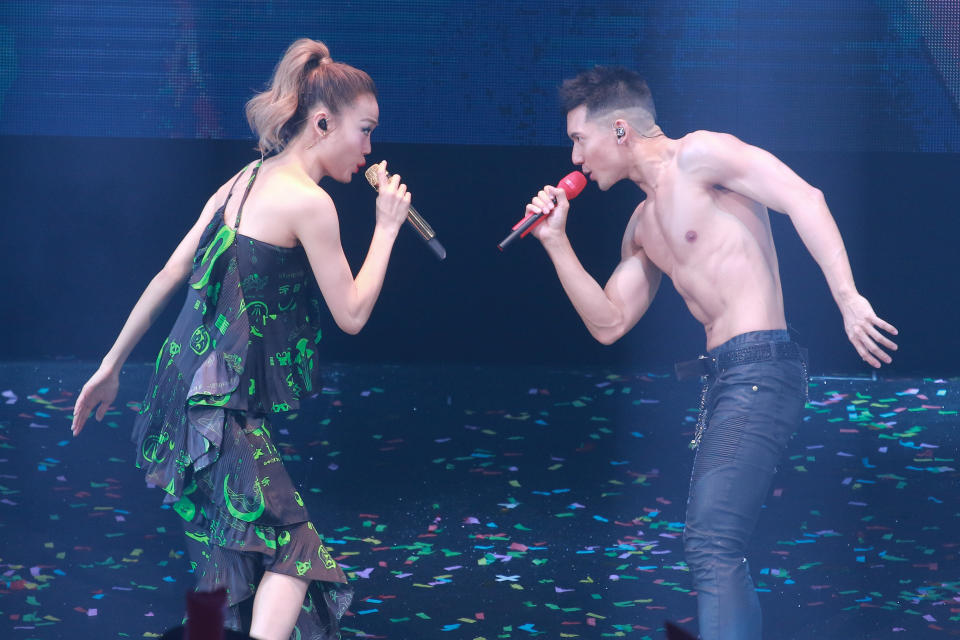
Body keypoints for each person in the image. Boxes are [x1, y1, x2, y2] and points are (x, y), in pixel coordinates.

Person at [522, 66, 898, 640]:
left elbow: (804, 197)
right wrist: (556, 243)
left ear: (620, 130)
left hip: (762, 368)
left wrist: (848, 299)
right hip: (725, 379)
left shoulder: (699, 156)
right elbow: (609, 323)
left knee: (712, 540)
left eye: (580, 139)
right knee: (713, 544)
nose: (575, 158)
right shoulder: (642, 224)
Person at [70, 38, 412, 640]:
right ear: (322, 122)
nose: (368, 147)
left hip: (181, 394)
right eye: (364, 130)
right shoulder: (312, 204)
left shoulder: (245, 179)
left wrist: (111, 365)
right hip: (217, 405)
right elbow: (352, 313)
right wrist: (385, 229)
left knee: (231, 554)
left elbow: (170, 273)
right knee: (293, 550)